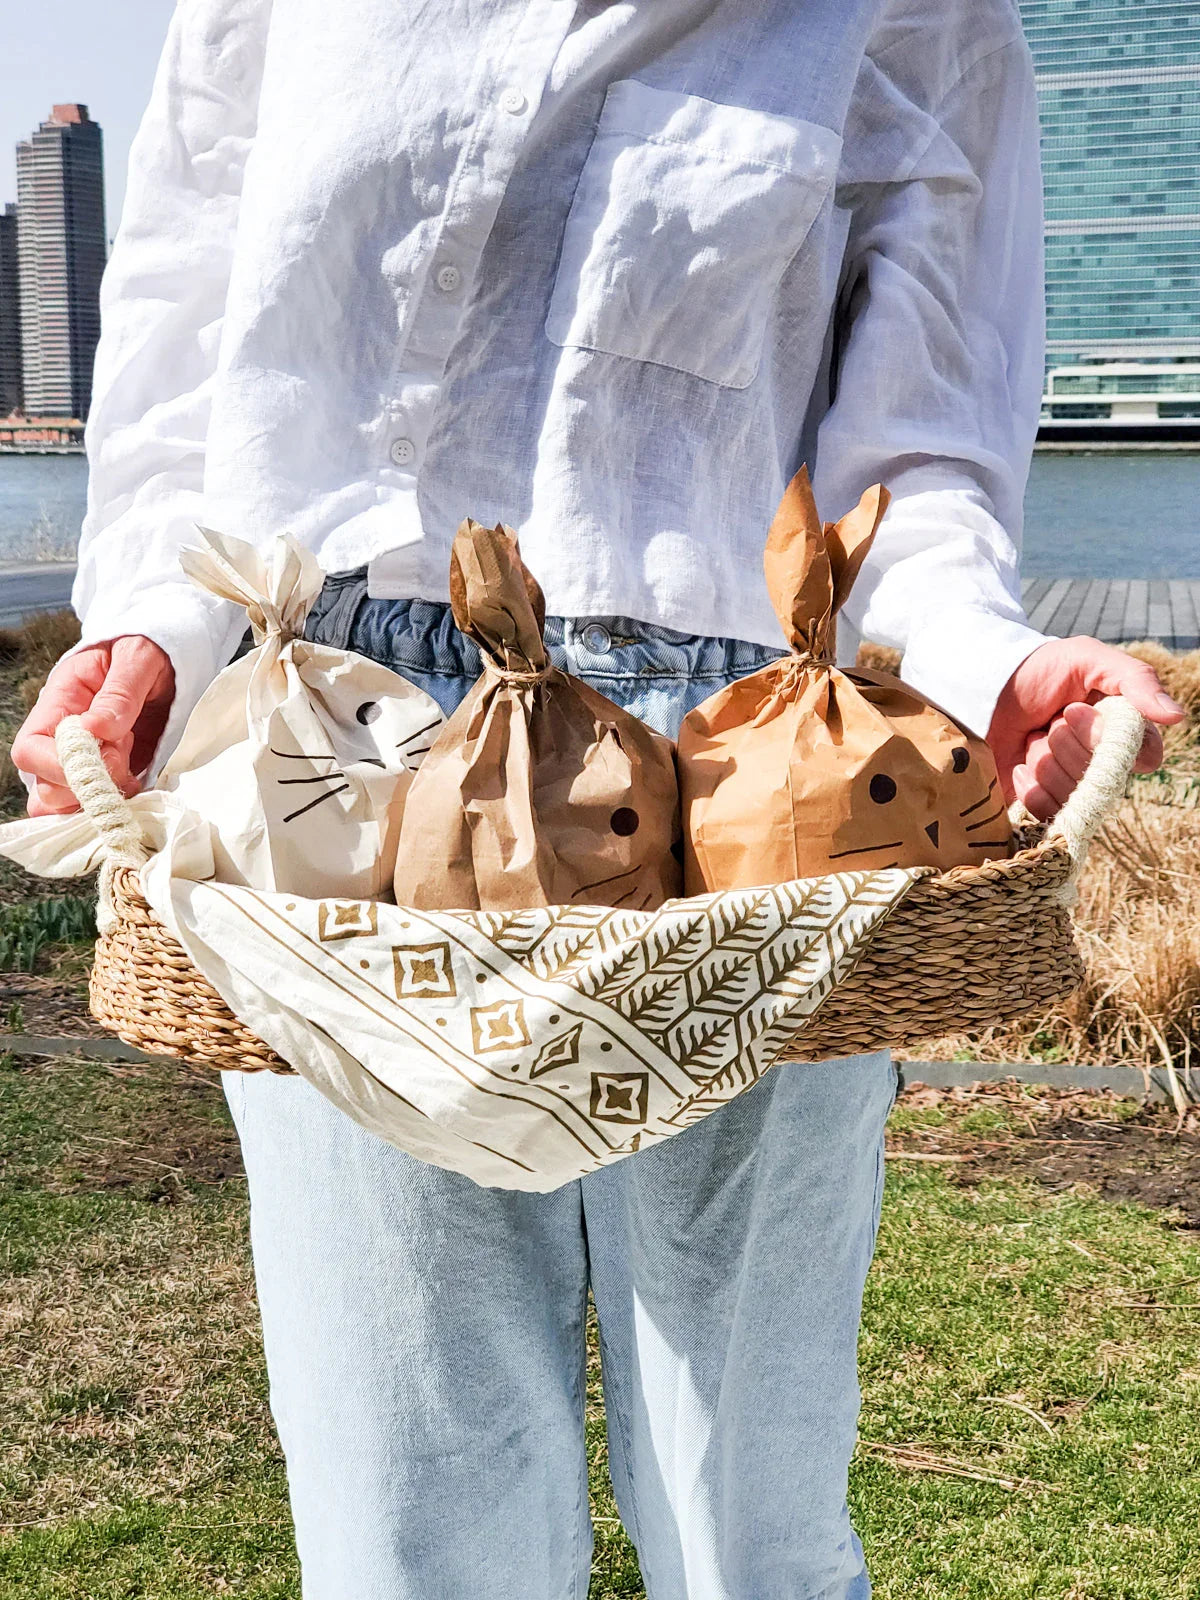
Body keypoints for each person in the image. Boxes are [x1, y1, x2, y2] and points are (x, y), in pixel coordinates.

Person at [12, 2, 1184, 1595]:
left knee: (746, 1514)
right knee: (406, 1514)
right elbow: (185, 338)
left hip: (761, 785)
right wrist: (150, 622)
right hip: (350, 773)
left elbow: (923, 442)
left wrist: (984, 659)